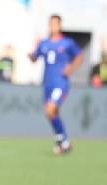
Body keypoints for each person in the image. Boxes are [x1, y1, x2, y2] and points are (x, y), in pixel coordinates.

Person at [29, 15, 83, 155]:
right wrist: (31, 53)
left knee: (50, 109)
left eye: (55, 23)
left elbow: (79, 56)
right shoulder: (44, 43)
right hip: (47, 83)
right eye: (51, 23)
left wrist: (70, 68)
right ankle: (64, 143)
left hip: (60, 83)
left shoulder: (67, 42)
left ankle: (62, 142)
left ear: (59, 25)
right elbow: (34, 58)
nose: (53, 26)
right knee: (51, 114)